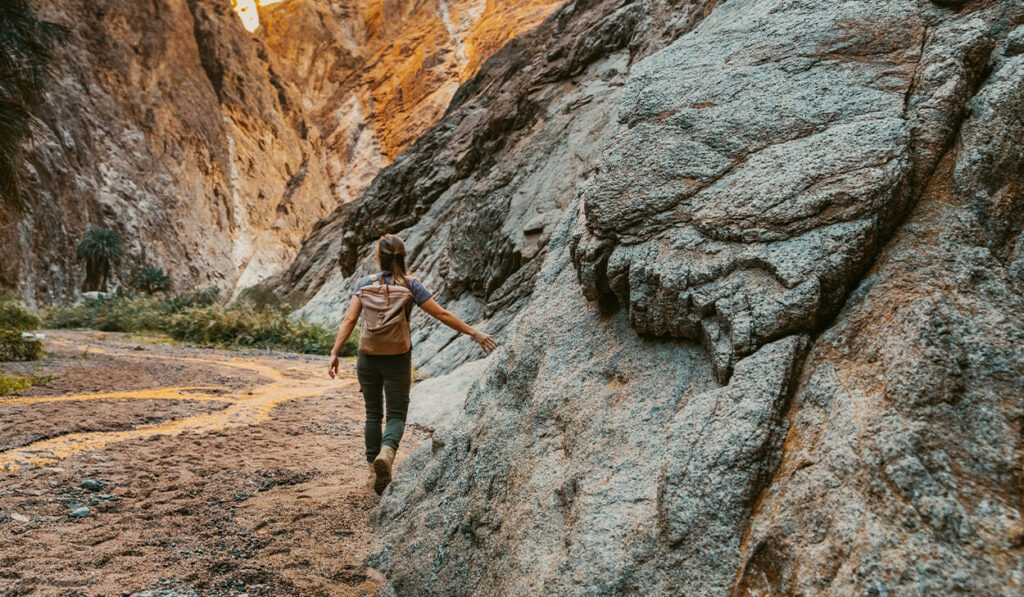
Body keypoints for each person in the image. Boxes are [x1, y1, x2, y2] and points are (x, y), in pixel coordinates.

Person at [327, 234, 497, 495]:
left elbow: (349, 320)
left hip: (368, 357)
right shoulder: (411, 286)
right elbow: (441, 314)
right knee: (396, 414)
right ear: (403, 257)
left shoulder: (363, 284)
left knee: (373, 414)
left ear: (379, 257)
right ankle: (387, 452)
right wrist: (474, 332)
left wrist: (335, 352)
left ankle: (373, 469)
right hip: (397, 358)